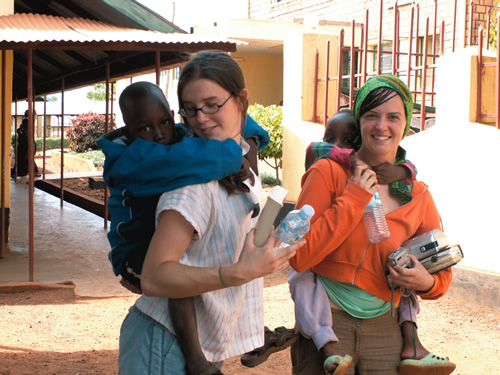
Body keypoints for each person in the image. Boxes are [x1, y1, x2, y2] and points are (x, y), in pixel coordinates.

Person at [117, 51, 303, 375]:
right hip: (164, 344)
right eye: (190, 110)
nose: (200, 118)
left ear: (242, 99)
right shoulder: (192, 182)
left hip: (202, 341)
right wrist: (237, 273)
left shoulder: (242, 163)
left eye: (212, 104)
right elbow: (156, 275)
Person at [289, 74, 455, 375]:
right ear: (359, 121)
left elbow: (442, 272)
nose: (382, 126)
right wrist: (353, 198)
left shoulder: (417, 194)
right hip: (328, 329)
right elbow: (300, 256)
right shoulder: (327, 173)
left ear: (406, 123)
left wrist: (426, 282)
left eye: (393, 117)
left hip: (388, 333)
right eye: (371, 116)